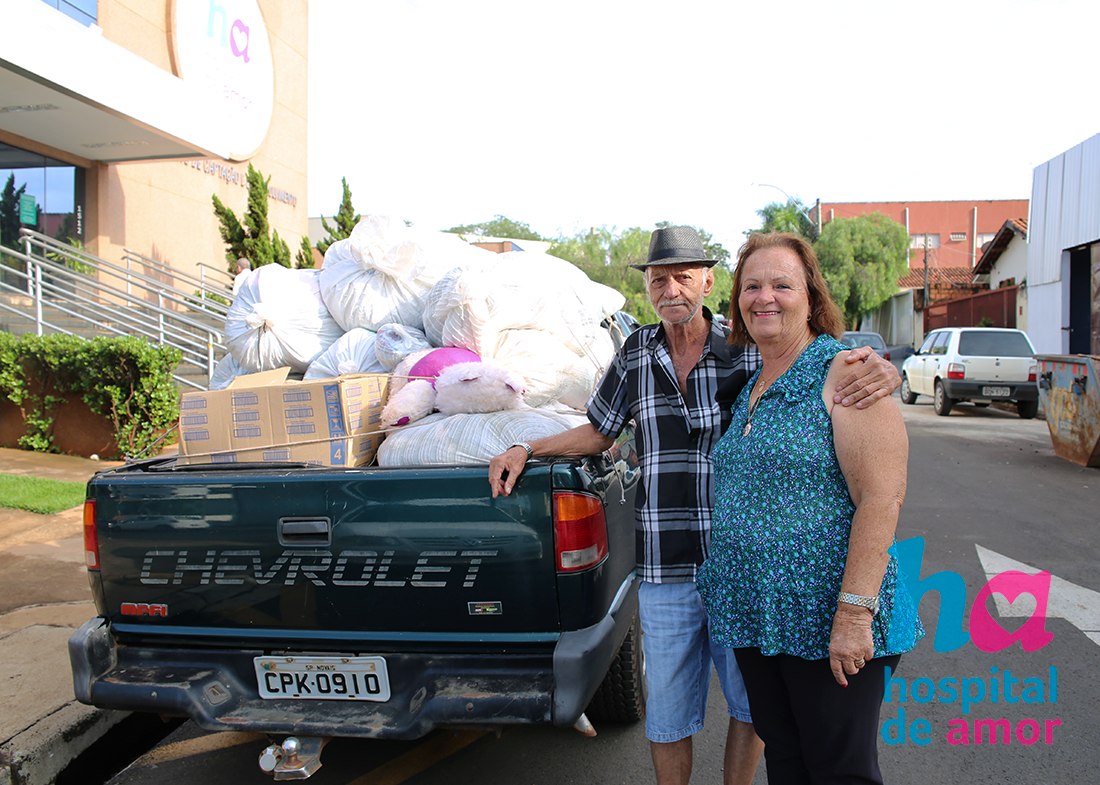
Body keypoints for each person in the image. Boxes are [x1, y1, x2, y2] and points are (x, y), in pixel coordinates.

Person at [488, 226, 901, 785]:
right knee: (671, 712)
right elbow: (599, 432)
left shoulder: (746, 346)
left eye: (683, 277)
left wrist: (877, 368)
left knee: (756, 710)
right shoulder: (636, 353)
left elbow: (817, 371)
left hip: (740, 571)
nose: (671, 289)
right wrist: (527, 447)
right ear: (648, 289)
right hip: (666, 564)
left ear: (708, 283)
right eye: (659, 280)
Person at [696, 232, 925, 785]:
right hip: (760, 615)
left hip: (827, 617)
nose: (764, 297)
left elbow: (882, 497)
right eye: (751, 286)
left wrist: (854, 614)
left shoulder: (845, 372)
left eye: (782, 285)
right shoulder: (755, 380)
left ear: (811, 296)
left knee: (840, 770)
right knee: (787, 759)